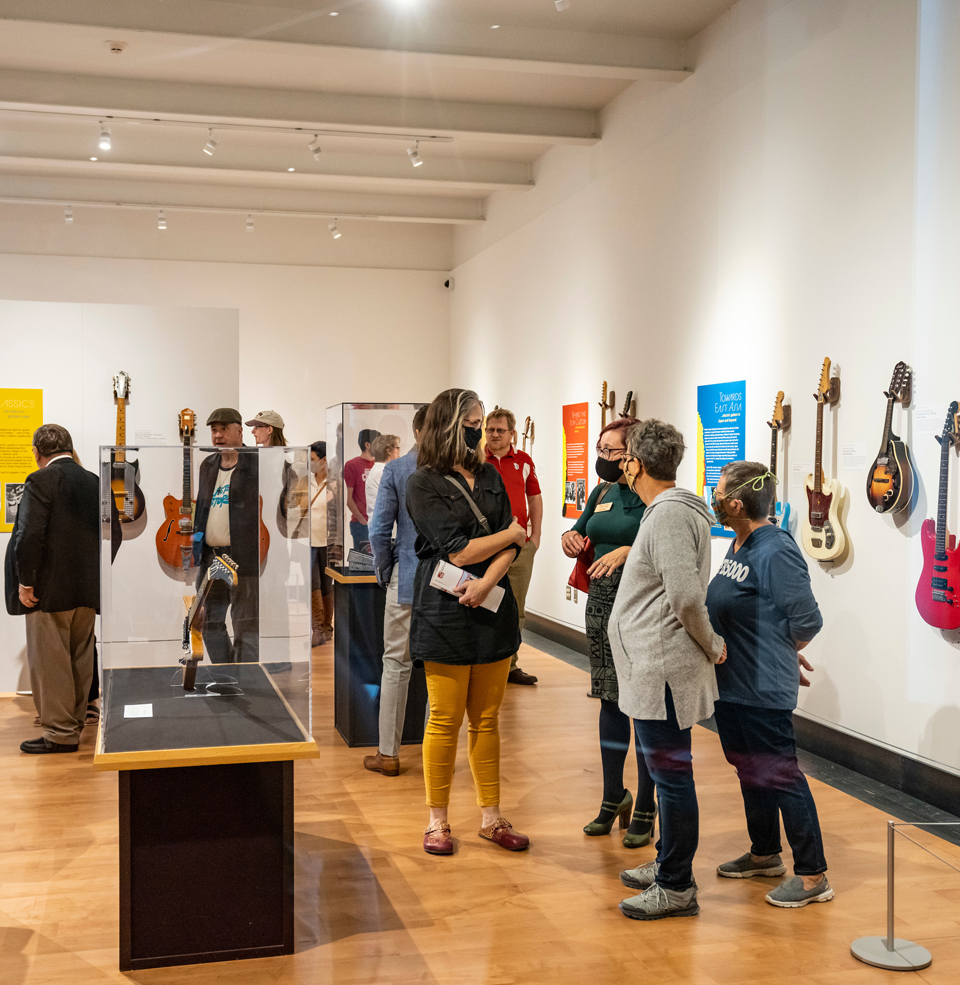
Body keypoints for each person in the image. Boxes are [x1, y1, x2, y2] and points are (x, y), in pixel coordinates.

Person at [405, 388, 530, 856]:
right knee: (443, 719)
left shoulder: (492, 475)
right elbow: (456, 549)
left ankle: (491, 817)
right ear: (449, 423)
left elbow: (511, 545)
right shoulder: (424, 482)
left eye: (482, 420)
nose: (480, 428)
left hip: (492, 604)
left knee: (487, 718)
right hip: (444, 612)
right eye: (473, 420)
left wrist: (486, 583)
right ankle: (437, 822)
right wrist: (509, 534)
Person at [612, 419, 727, 921]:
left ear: (636, 462)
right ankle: (666, 864)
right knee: (665, 773)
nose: (620, 465)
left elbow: (683, 595)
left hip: (663, 668)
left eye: (623, 458)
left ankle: (677, 885)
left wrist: (713, 644)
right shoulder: (666, 513)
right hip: (653, 667)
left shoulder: (667, 517)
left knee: (672, 777)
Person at [705, 461, 831, 908]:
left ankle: (814, 875)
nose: (713, 498)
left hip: (761, 688)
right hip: (733, 684)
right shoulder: (739, 544)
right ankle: (764, 853)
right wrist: (774, 641)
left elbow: (807, 619)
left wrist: (779, 649)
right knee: (749, 769)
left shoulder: (775, 548)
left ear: (736, 503)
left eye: (717, 492)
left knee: (781, 775)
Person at [561, 416, 655, 847]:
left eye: (612, 453)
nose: (603, 459)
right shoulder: (602, 492)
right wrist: (569, 537)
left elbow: (664, 544)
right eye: (600, 451)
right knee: (611, 700)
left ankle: (648, 805)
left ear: (634, 455)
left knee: (647, 706)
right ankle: (612, 796)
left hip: (641, 605)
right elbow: (581, 530)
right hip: (601, 604)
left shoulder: (652, 498)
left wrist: (627, 550)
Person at [13, 424, 99, 754]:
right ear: (70, 447)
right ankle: (74, 724)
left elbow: (29, 535)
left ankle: (60, 734)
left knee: (51, 663)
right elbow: (110, 533)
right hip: (87, 589)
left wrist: (26, 582)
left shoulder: (40, 479)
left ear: (37, 452)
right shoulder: (92, 480)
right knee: (80, 657)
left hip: (48, 590)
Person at [365, 407, 428, 775]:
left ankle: (388, 753)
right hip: (449, 579)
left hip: (407, 574)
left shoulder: (398, 469)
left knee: (395, 665)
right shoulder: (456, 469)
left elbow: (378, 530)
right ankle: (440, 755)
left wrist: (387, 572)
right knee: (441, 670)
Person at [193, 408, 261, 663]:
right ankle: (227, 673)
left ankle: (247, 679)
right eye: (214, 430)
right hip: (211, 557)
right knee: (209, 621)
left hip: (242, 555)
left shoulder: (255, 461)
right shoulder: (207, 465)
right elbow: (201, 509)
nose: (218, 435)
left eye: (223, 429)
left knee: (245, 624)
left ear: (239, 430)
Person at [484, 407, 542, 687]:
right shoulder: (474, 460)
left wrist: (536, 537)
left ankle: (510, 665)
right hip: (485, 548)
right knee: (484, 603)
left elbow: (535, 498)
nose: (495, 434)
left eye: (500, 430)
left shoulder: (524, 461)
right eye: (490, 429)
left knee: (516, 608)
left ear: (512, 434)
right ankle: (484, 663)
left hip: (521, 547)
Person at [309, 440, 334, 646]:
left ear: (323, 460)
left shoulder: (335, 483)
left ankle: (327, 626)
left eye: (313, 460)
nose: (310, 464)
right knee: (313, 584)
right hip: (308, 542)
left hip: (328, 541)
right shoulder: (304, 482)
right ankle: (316, 630)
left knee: (327, 584)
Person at [343, 428, 381, 550]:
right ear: (367, 445)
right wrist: (362, 520)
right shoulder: (352, 465)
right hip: (361, 524)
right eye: (377, 442)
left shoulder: (379, 465)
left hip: (378, 522)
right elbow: (349, 498)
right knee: (363, 563)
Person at [365, 434, 401, 526]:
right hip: (383, 531)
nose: (399, 451)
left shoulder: (382, 470)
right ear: (389, 451)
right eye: (397, 448)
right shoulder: (381, 472)